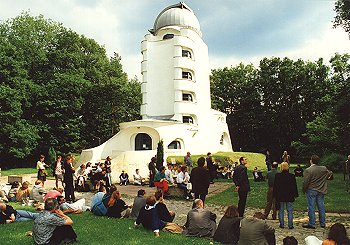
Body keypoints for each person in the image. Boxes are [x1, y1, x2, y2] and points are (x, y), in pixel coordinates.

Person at [302, 155, 333, 229]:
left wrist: (304, 189)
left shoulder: (308, 170)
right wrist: (326, 178)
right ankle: (322, 223)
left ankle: (312, 223)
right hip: (321, 189)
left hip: (311, 190)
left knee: (311, 206)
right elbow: (330, 173)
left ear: (311, 160)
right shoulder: (323, 168)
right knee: (321, 206)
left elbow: (306, 182)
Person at [273, 162, 298, 229]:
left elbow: (275, 186)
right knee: (290, 210)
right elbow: (294, 186)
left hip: (280, 195)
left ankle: (282, 224)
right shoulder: (291, 176)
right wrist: (295, 194)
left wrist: (274, 195)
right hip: (289, 195)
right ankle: (290, 224)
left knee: (281, 210)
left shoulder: (278, 176)